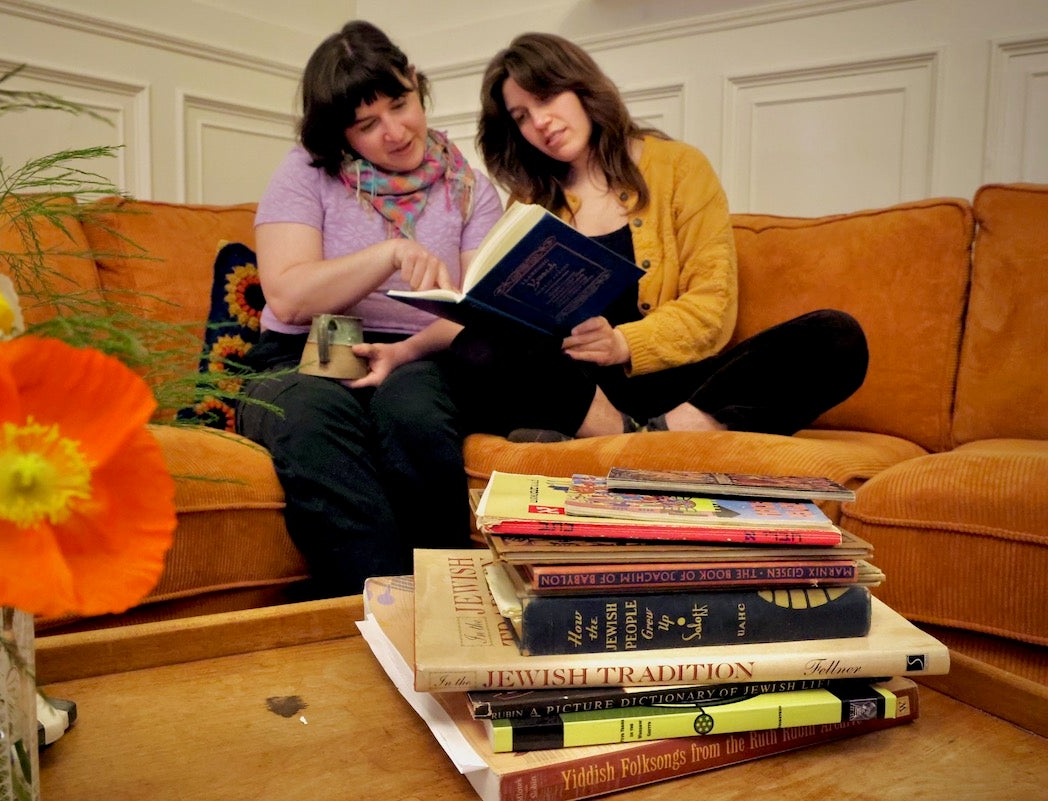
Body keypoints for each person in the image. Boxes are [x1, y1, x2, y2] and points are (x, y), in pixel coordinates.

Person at [448, 32, 868, 441]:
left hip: (677, 387)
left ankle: (651, 435)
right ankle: (626, 435)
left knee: (836, 338)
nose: (539, 122)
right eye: (520, 116)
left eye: (545, 97)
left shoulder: (679, 168)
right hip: (580, 390)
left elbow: (713, 308)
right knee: (476, 348)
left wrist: (622, 342)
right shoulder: (530, 199)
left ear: (581, 88)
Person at [234, 21, 503, 597]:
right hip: (315, 342)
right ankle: (377, 613)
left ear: (414, 83)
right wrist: (388, 253)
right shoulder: (306, 173)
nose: (395, 130)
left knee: (414, 418)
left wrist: (404, 350)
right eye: (367, 124)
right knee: (309, 417)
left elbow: (474, 308)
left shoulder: (468, 187)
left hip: (419, 352)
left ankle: (449, 609)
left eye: (401, 104)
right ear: (340, 133)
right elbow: (288, 294)